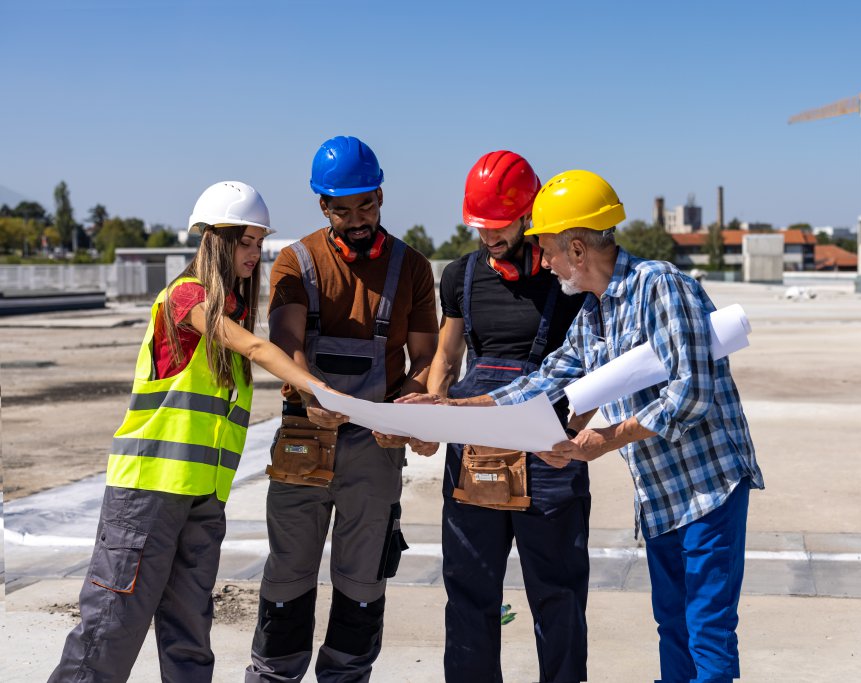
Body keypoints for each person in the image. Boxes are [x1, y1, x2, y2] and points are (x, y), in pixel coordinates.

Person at [401, 169, 763, 683]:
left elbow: (692, 393)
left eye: (546, 249)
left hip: (708, 487)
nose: (543, 263)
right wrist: (452, 410)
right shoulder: (594, 314)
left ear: (576, 248)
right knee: (673, 627)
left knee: (706, 632)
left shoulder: (660, 286)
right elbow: (545, 383)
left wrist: (604, 440)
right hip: (661, 494)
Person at [49, 181, 341, 682]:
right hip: (149, 493)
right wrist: (320, 390)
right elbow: (256, 349)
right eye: (244, 242)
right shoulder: (186, 297)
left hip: (203, 499)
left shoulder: (229, 310)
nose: (254, 254)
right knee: (111, 629)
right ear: (214, 241)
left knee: (190, 631)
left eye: (257, 243)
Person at [377, 151, 591, 682]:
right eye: (480, 226)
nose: (488, 236)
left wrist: (577, 436)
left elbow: (588, 366)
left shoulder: (566, 279)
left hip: (548, 456)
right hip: (475, 450)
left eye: (498, 226)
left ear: (529, 216)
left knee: (557, 595)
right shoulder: (461, 275)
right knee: (469, 590)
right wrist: (431, 419)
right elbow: (447, 358)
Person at [246, 135, 438, 682]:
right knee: (287, 578)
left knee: (361, 583)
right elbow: (286, 345)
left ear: (381, 194)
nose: (358, 219)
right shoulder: (295, 261)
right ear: (322, 206)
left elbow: (424, 357)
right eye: (342, 209)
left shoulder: (413, 268)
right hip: (305, 441)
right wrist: (313, 395)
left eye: (367, 205)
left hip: (375, 449)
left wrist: (411, 404)